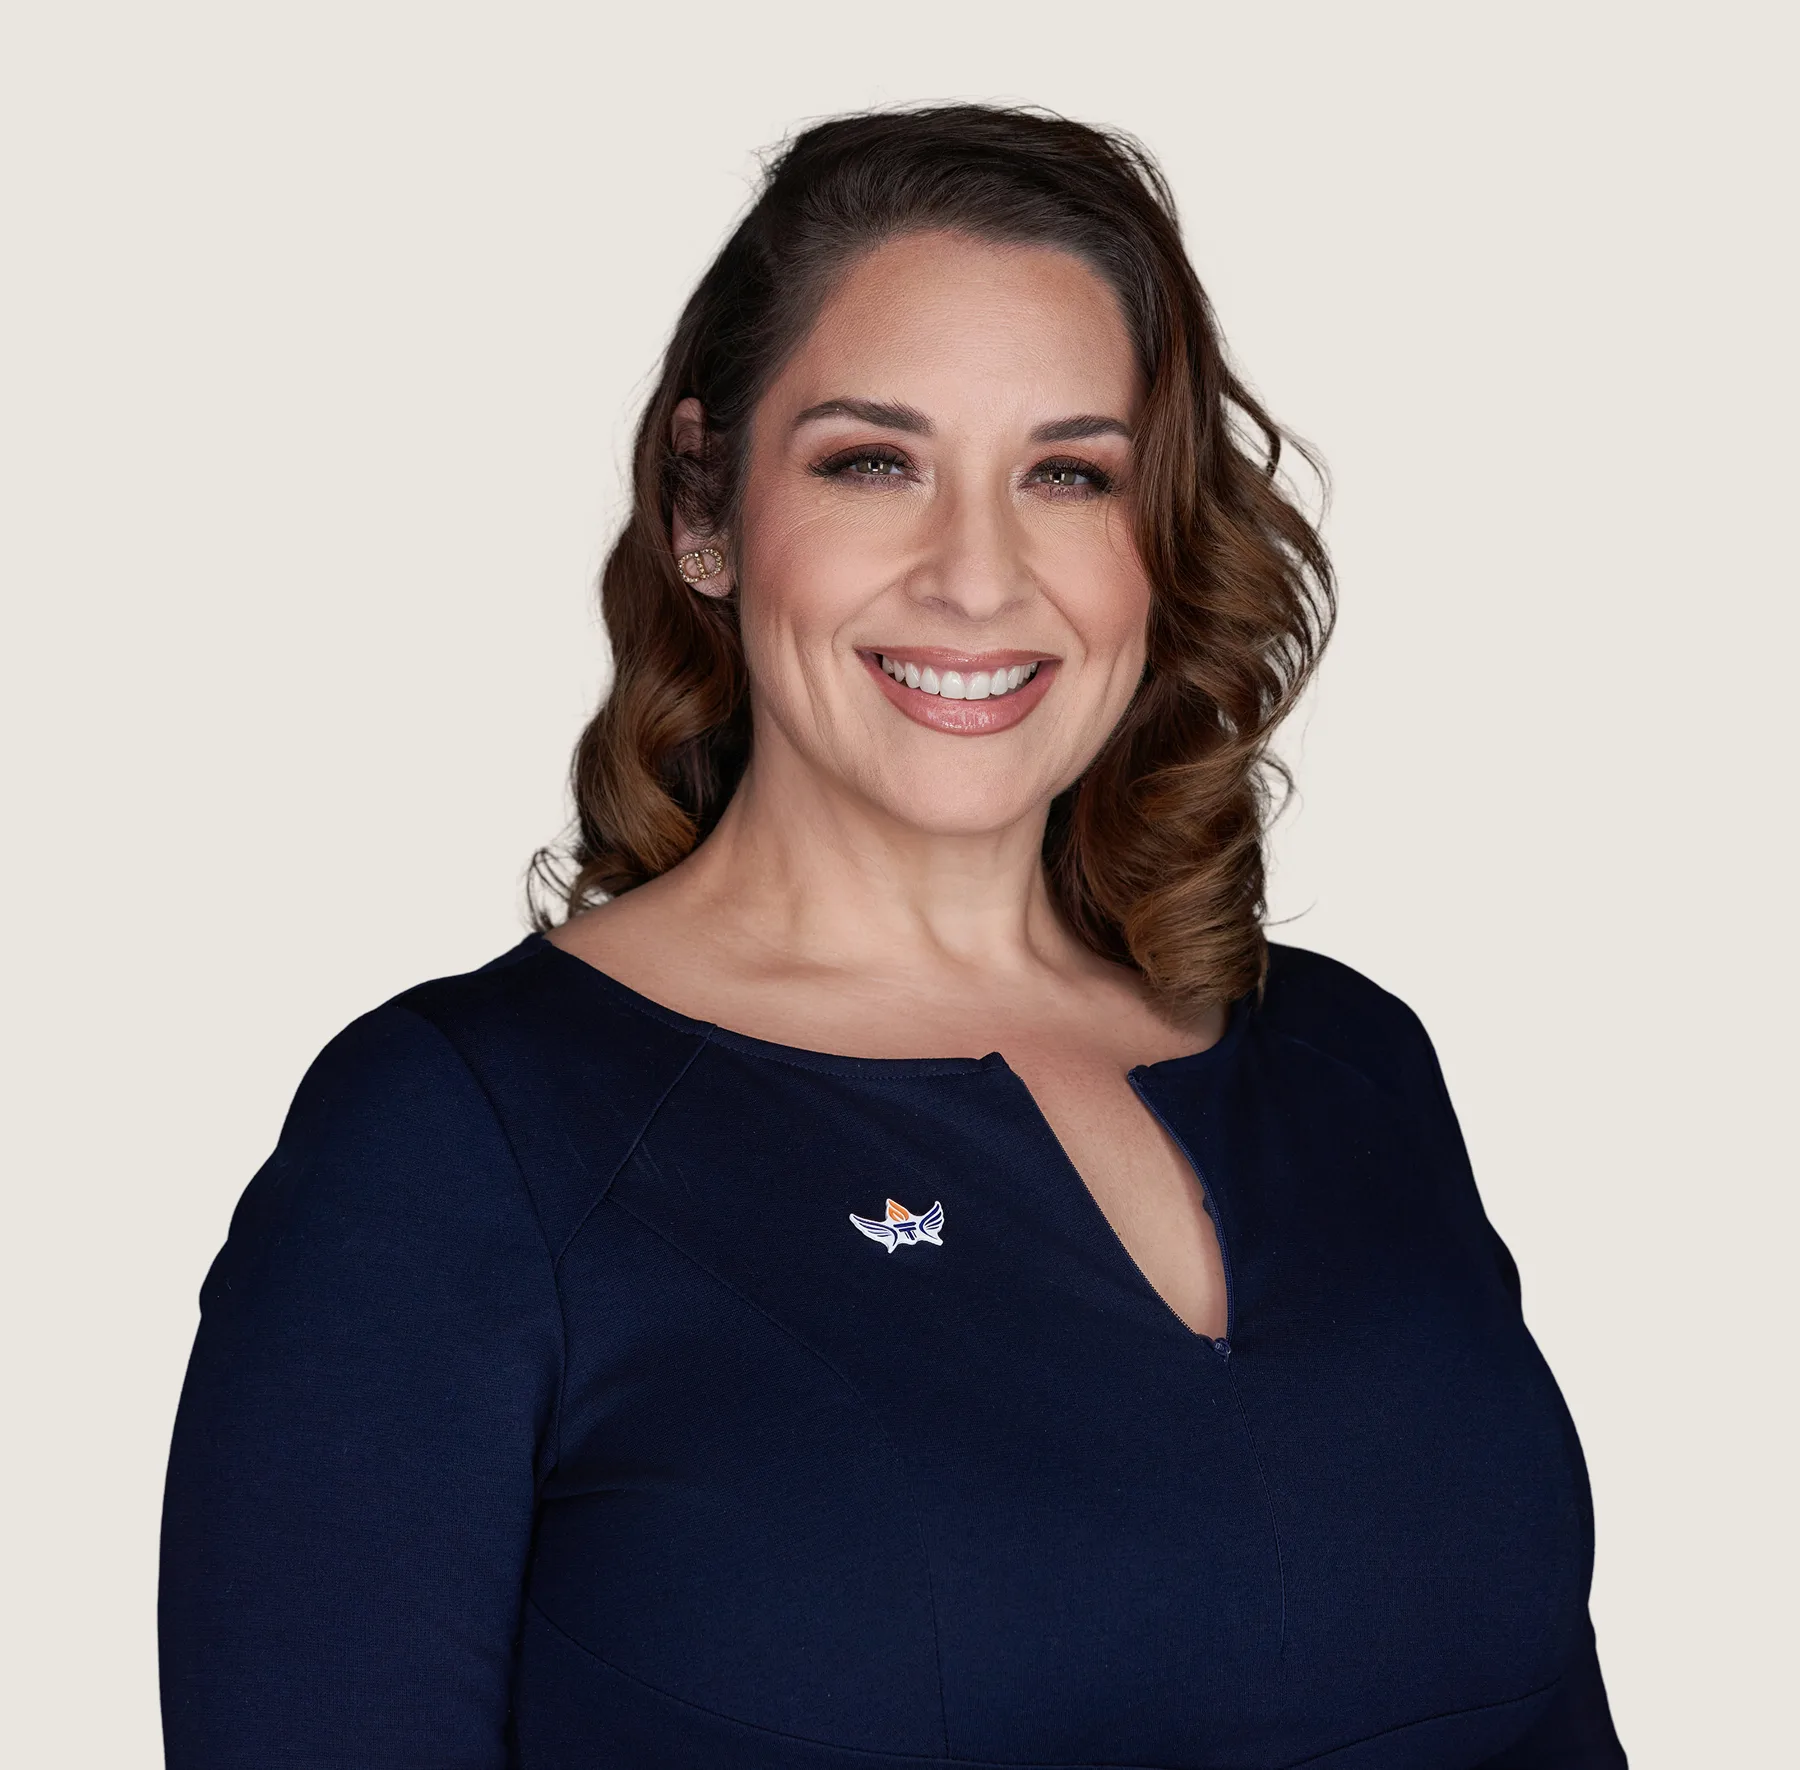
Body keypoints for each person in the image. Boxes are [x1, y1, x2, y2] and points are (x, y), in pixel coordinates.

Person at [158, 106, 1627, 1768]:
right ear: (705, 507)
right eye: (875, 462)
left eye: (1069, 474)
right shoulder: (458, 1144)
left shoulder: (1355, 1069)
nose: (976, 578)